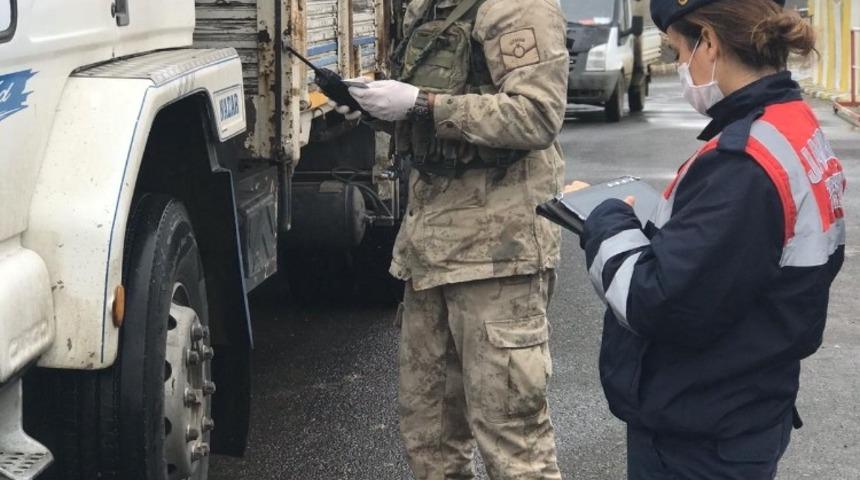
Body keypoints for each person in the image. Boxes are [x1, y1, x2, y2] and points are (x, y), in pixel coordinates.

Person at [572, 0, 846, 478]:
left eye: (680, 52)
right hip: (746, 406)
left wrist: (606, 219)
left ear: (710, 43)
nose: (681, 67)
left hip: (701, 435)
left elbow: (655, 301)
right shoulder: (790, 123)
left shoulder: (743, 163)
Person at [332, 0, 569, 477]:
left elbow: (538, 114)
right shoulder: (428, 7)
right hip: (430, 250)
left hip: (498, 256)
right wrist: (374, 105)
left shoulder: (516, 6)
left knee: (514, 446)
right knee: (430, 441)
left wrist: (422, 103)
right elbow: (433, 104)